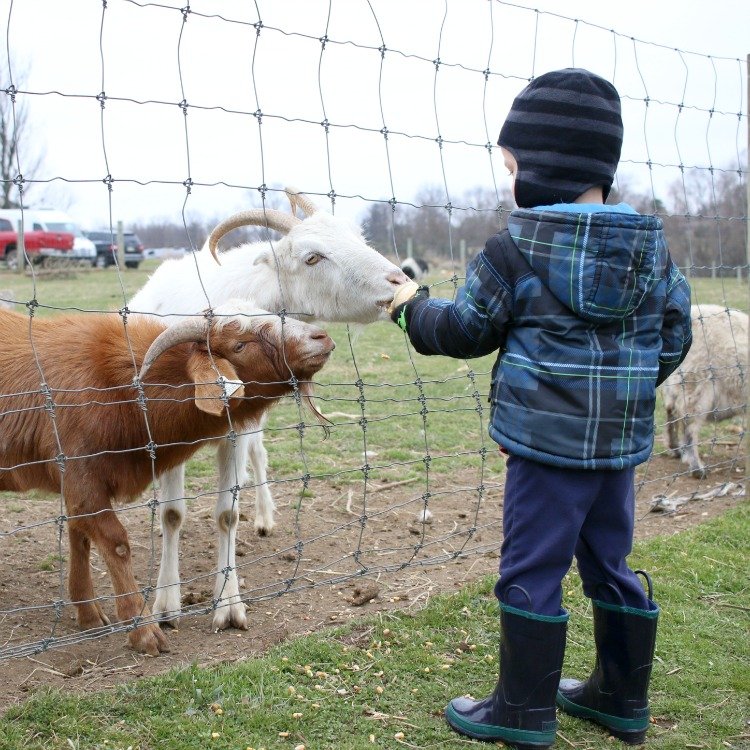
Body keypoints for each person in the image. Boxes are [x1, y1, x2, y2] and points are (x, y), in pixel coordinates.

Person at [388, 68, 692, 748]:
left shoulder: (516, 246)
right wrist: (624, 396)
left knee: (532, 568)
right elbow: (675, 336)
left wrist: (410, 309)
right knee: (610, 560)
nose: (509, 180)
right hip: (616, 452)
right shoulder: (652, 249)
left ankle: (521, 711)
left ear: (540, 165)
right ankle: (620, 697)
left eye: (511, 165)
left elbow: (465, 330)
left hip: (542, 455)